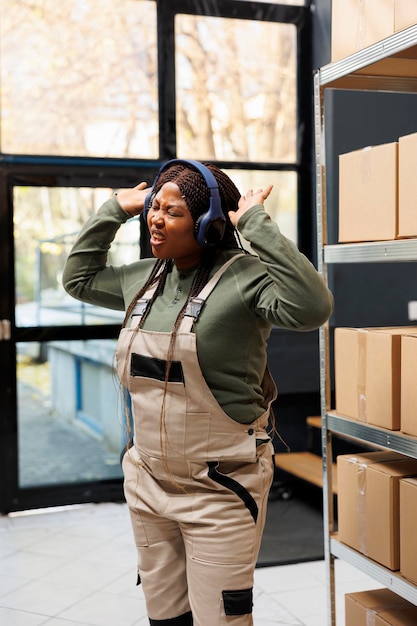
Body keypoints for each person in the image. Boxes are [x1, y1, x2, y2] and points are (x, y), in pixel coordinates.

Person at [63, 159, 333, 626]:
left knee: (219, 620)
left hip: (221, 488)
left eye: (173, 211)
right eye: (154, 207)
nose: (155, 217)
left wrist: (255, 224)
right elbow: (78, 279)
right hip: (148, 482)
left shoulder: (244, 278)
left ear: (208, 224)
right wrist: (113, 209)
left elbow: (311, 307)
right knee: (164, 616)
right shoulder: (142, 279)